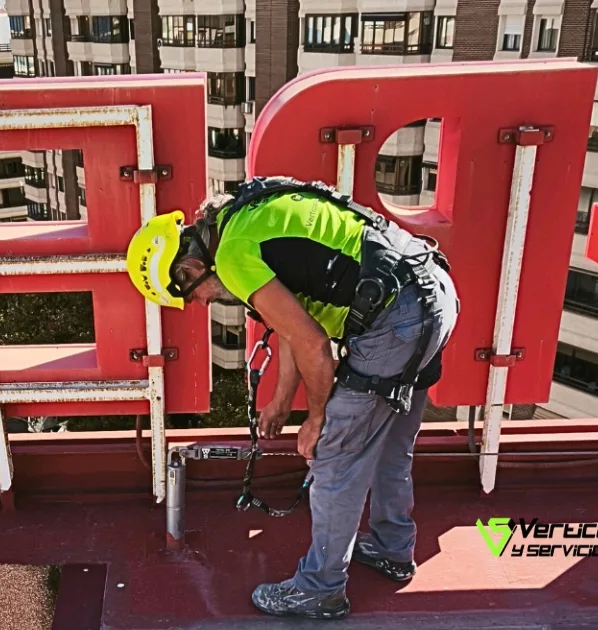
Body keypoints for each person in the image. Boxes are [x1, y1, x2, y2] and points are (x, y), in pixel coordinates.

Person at [125, 176, 459, 621]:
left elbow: (314, 344)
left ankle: (320, 590)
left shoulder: (233, 257)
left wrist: (317, 418)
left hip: (395, 320)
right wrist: (282, 401)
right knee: (392, 447)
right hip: (431, 294)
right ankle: (391, 548)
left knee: (335, 460)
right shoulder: (241, 218)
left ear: (188, 268)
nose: (204, 304)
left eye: (193, 295)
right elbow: (293, 321)